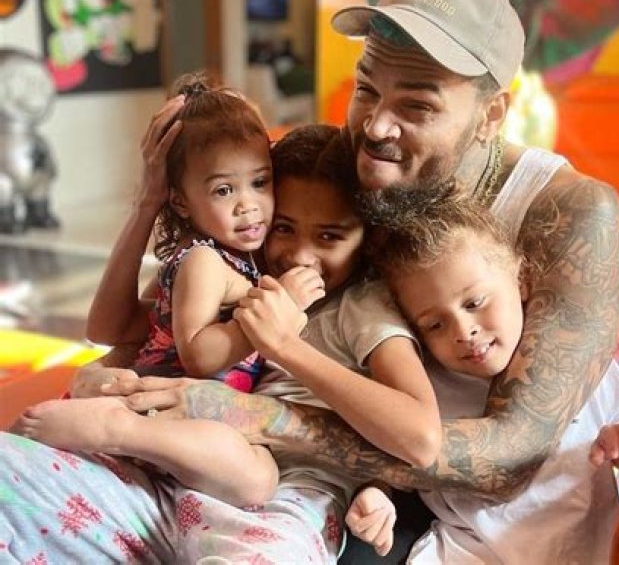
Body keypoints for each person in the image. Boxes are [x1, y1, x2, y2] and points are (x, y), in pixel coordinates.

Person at [0, 0, 619, 562]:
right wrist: (117, 380)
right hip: (342, 481)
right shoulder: (356, 170)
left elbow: (510, 457)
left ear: (491, 114)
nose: (376, 127)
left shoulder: (573, 212)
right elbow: (196, 291)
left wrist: (255, 415)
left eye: (416, 106)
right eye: (366, 90)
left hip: (485, 517)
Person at [2, 122, 442, 562]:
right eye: (284, 227)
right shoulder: (240, 268)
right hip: (164, 475)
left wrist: (283, 343)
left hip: (284, 499)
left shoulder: (362, 307)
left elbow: (419, 437)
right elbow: (122, 330)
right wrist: (105, 374)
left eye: (330, 236)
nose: (299, 255)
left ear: (369, 239)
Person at [12, 75, 330, 509]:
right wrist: (280, 308)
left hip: (193, 419)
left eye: (260, 182)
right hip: (173, 408)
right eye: (224, 190)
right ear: (180, 201)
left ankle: (112, 417)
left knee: (257, 472)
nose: (248, 204)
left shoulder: (233, 258)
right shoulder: (204, 260)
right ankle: (118, 428)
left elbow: (120, 326)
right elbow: (197, 355)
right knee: (258, 480)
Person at [343, 183, 619, 562]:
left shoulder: (572, 363)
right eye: (435, 324)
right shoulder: (423, 386)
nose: (463, 331)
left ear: (522, 280)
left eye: (474, 302)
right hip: (468, 553)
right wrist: (377, 494)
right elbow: (393, 460)